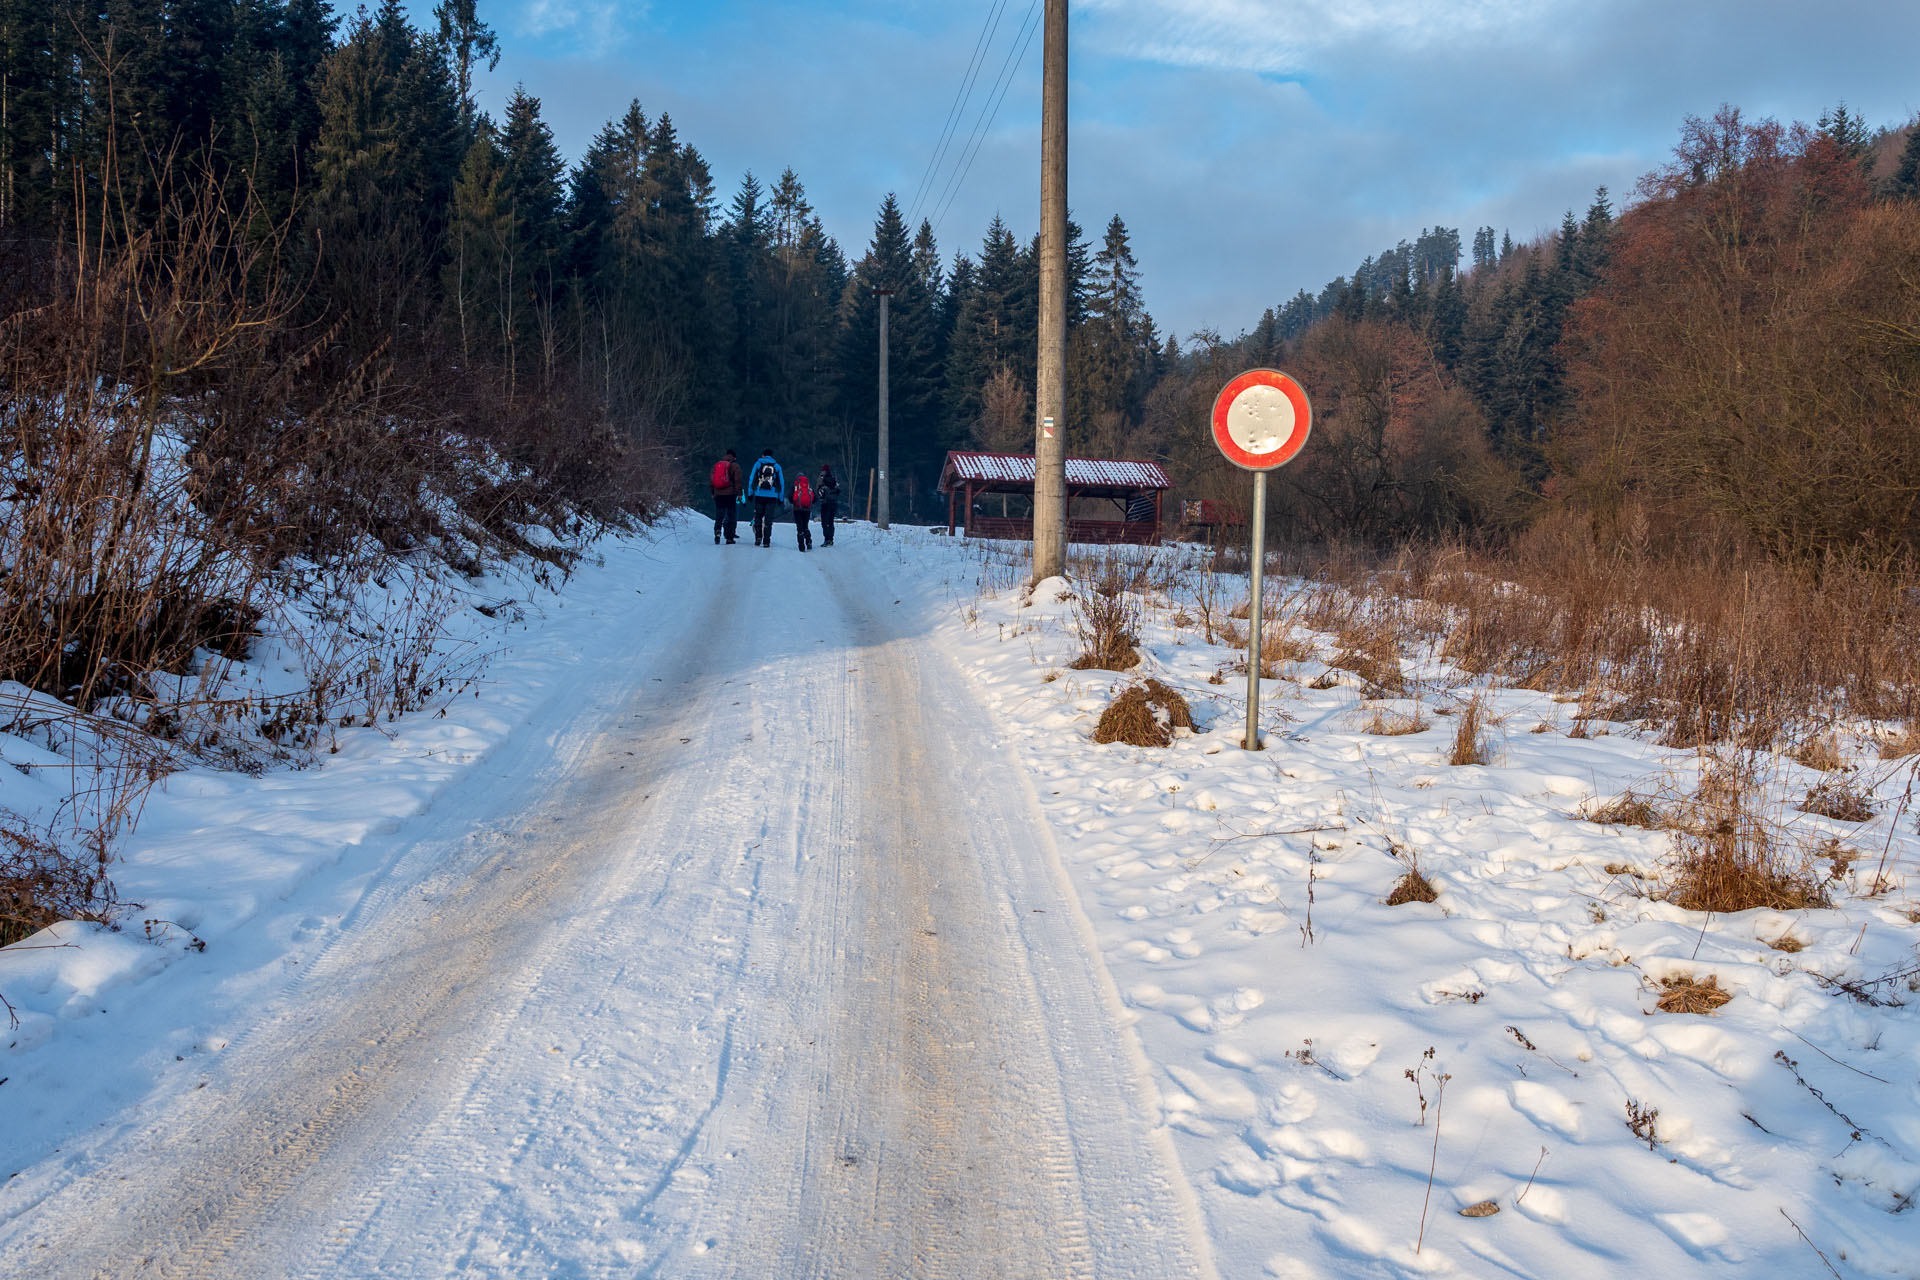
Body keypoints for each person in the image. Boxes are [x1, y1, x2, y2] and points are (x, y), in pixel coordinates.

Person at [744, 448, 785, 547]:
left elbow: (751, 478)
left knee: (758, 515)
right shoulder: (777, 466)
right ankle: (766, 540)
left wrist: (750, 493)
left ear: (763, 455)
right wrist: (780, 498)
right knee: (768, 518)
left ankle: (758, 537)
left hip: (759, 494)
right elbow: (781, 483)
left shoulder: (758, 464)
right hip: (772, 496)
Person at [709, 448, 742, 544]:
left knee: (719, 514)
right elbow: (738, 481)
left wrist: (713, 492)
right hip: (731, 494)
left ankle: (717, 531)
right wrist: (739, 494)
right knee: (731, 515)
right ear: (734, 457)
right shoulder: (735, 466)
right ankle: (729, 537)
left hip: (718, 494)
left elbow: (712, 480)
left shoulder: (717, 465)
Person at [816, 464, 842, 547]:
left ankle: (826, 539)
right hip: (833, 502)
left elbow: (817, 490)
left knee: (824, 522)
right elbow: (838, 490)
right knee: (831, 521)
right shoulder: (833, 478)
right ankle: (831, 539)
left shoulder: (821, 478)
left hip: (825, 503)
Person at [791, 472, 814, 551]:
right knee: (805, 526)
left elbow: (790, 497)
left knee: (799, 527)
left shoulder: (795, 486)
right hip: (807, 509)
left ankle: (801, 546)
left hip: (797, 509)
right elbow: (814, 498)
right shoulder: (808, 486)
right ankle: (809, 542)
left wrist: (794, 503)